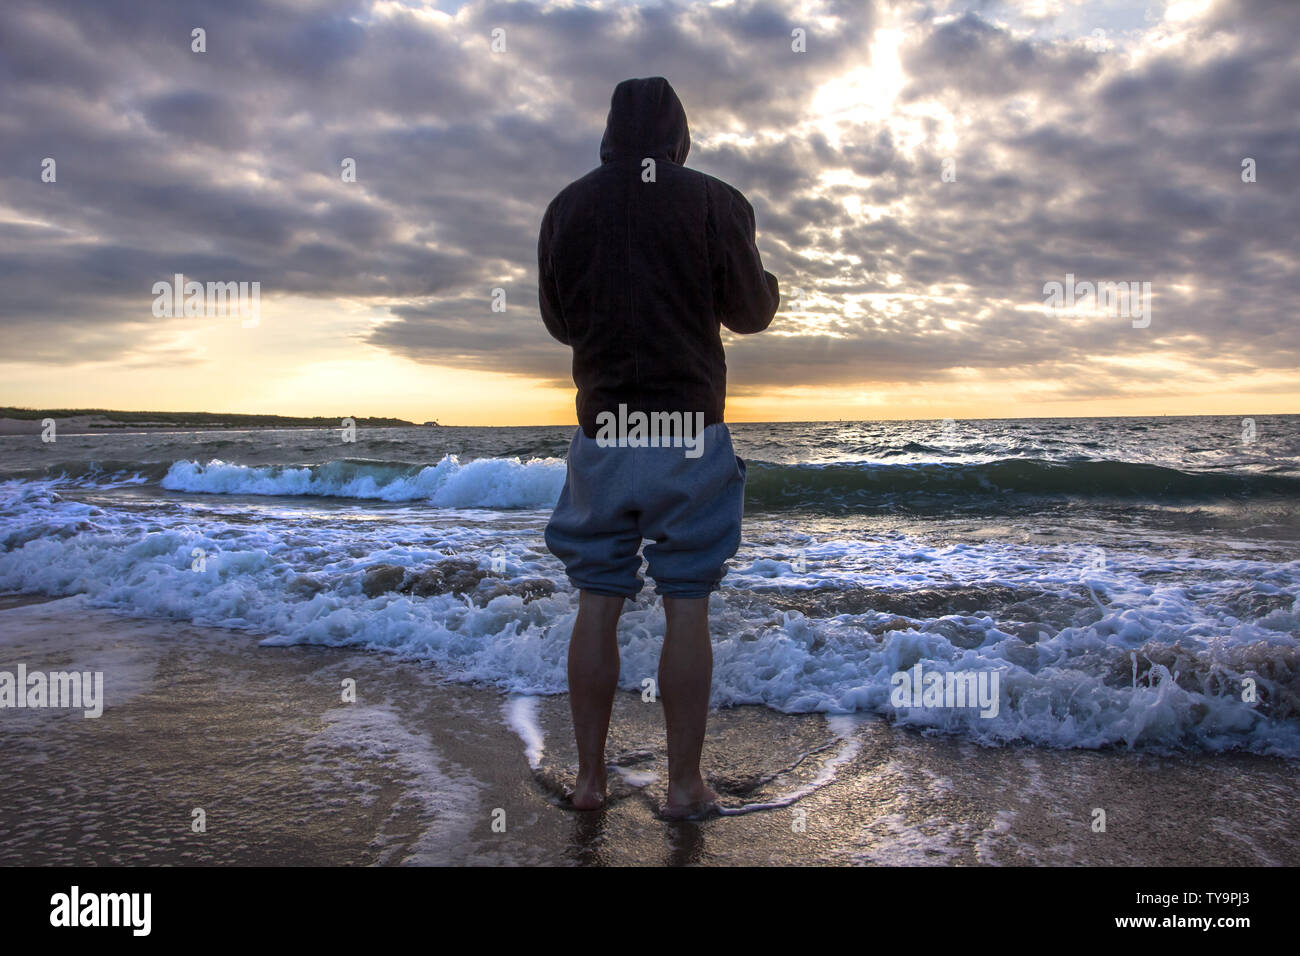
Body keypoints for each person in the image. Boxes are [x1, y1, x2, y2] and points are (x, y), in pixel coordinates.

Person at [538, 76, 779, 819]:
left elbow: (558, 322)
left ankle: (589, 782)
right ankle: (682, 786)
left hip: (605, 428)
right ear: (679, 136)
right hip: (687, 428)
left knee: (598, 598)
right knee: (686, 603)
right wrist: (761, 277)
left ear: (610, 132)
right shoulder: (715, 200)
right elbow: (751, 312)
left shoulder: (567, 207)